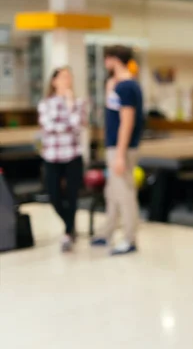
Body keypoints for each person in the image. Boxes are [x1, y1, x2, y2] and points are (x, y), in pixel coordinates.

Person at [91, 46, 144, 255]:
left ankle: (130, 238)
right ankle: (107, 232)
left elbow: (126, 122)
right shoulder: (120, 85)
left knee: (125, 193)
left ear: (114, 59)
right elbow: (111, 112)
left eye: (106, 59)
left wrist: (120, 154)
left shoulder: (127, 87)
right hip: (114, 146)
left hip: (122, 147)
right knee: (112, 192)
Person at [37, 67, 87, 252]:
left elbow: (76, 126)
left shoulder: (78, 102)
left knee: (72, 195)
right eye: (64, 76)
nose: (68, 80)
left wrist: (70, 103)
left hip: (73, 154)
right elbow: (48, 126)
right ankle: (69, 224)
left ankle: (68, 232)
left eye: (70, 76)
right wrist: (66, 122)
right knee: (54, 195)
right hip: (52, 155)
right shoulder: (45, 103)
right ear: (54, 81)